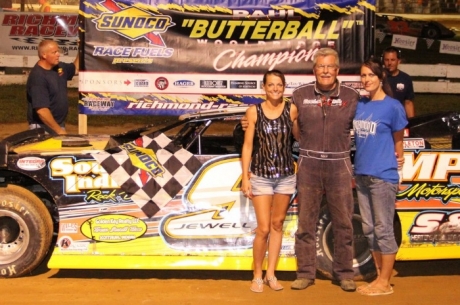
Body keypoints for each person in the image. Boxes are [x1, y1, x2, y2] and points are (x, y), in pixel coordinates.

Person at [290, 48, 359, 292]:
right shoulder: (300, 95)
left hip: (339, 164)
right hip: (308, 163)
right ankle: (305, 273)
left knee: (343, 222)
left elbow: (366, 126)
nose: (326, 71)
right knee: (305, 223)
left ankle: (344, 273)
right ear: (314, 70)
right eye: (321, 66)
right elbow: (285, 122)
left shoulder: (352, 96)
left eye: (330, 67)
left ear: (337, 70)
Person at [353, 58, 407, 296]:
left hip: (383, 176)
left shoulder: (393, 106)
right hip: (362, 175)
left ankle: (385, 282)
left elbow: (399, 138)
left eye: (370, 75)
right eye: (363, 76)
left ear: (380, 77)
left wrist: (400, 165)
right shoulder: (360, 105)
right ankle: (378, 278)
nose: (366, 80)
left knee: (384, 228)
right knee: (369, 229)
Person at [241, 70, 298, 293]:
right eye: (271, 84)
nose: (275, 88)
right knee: (263, 228)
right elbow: (247, 146)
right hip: (261, 176)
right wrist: (246, 177)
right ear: (263, 87)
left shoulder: (292, 110)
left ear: (284, 87)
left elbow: (299, 137)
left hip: (285, 176)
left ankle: (271, 274)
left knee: (277, 225)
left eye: (279, 85)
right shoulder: (253, 112)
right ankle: (257, 275)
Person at [27, 40, 79, 135]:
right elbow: (42, 111)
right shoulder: (38, 77)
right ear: (44, 55)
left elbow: (76, 69)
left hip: (57, 125)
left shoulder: (59, 67)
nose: (58, 54)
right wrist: (59, 131)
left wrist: (81, 48)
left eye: (58, 51)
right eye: (54, 52)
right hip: (42, 127)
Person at [382, 46, 415, 118]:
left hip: (398, 117)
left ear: (398, 61)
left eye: (392, 60)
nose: (389, 63)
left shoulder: (406, 79)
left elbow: (408, 103)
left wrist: (412, 123)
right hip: (381, 116)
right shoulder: (378, 77)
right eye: (386, 60)